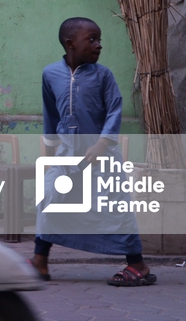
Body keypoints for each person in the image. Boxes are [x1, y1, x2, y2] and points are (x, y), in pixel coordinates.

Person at [31, 17, 156, 287]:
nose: (99, 45)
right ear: (70, 44)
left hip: (103, 158)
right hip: (67, 155)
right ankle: (40, 261)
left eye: (99, 39)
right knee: (49, 196)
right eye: (92, 39)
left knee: (114, 208)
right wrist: (51, 150)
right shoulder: (50, 74)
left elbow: (115, 109)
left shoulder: (103, 75)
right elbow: (50, 114)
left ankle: (138, 264)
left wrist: (102, 143)